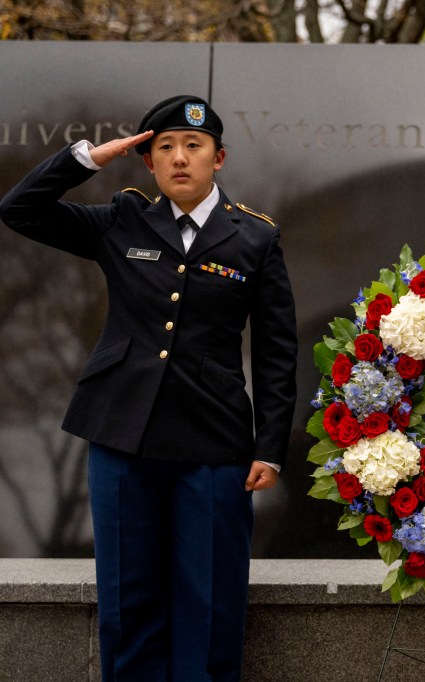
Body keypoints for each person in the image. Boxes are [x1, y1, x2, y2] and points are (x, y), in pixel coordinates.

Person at [0, 95, 298, 681]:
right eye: (164, 147)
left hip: (213, 443)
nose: (179, 157)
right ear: (149, 163)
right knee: (126, 599)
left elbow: (276, 350)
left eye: (193, 146)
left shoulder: (255, 238)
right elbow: (19, 210)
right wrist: (86, 158)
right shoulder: (122, 220)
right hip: (120, 435)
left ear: (219, 158)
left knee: (208, 604)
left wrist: (269, 446)